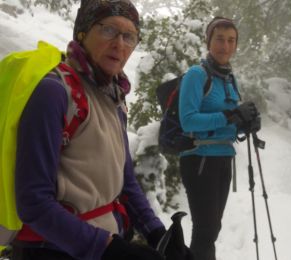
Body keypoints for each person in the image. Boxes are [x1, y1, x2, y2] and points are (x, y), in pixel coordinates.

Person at [10, 1, 186, 259]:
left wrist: (157, 234)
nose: (120, 44)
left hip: (102, 243)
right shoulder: (55, 92)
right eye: (108, 30)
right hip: (53, 250)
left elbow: (124, 181)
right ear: (82, 32)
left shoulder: (113, 97)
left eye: (129, 36)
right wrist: (109, 250)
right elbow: (33, 203)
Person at [178, 17, 261, 260]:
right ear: (209, 41)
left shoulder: (229, 78)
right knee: (206, 230)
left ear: (236, 45)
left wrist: (246, 124)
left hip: (224, 159)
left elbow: (228, 127)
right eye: (220, 39)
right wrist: (230, 115)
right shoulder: (196, 75)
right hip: (199, 159)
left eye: (231, 40)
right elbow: (188, 121)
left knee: (211, 230)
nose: (225, 46)